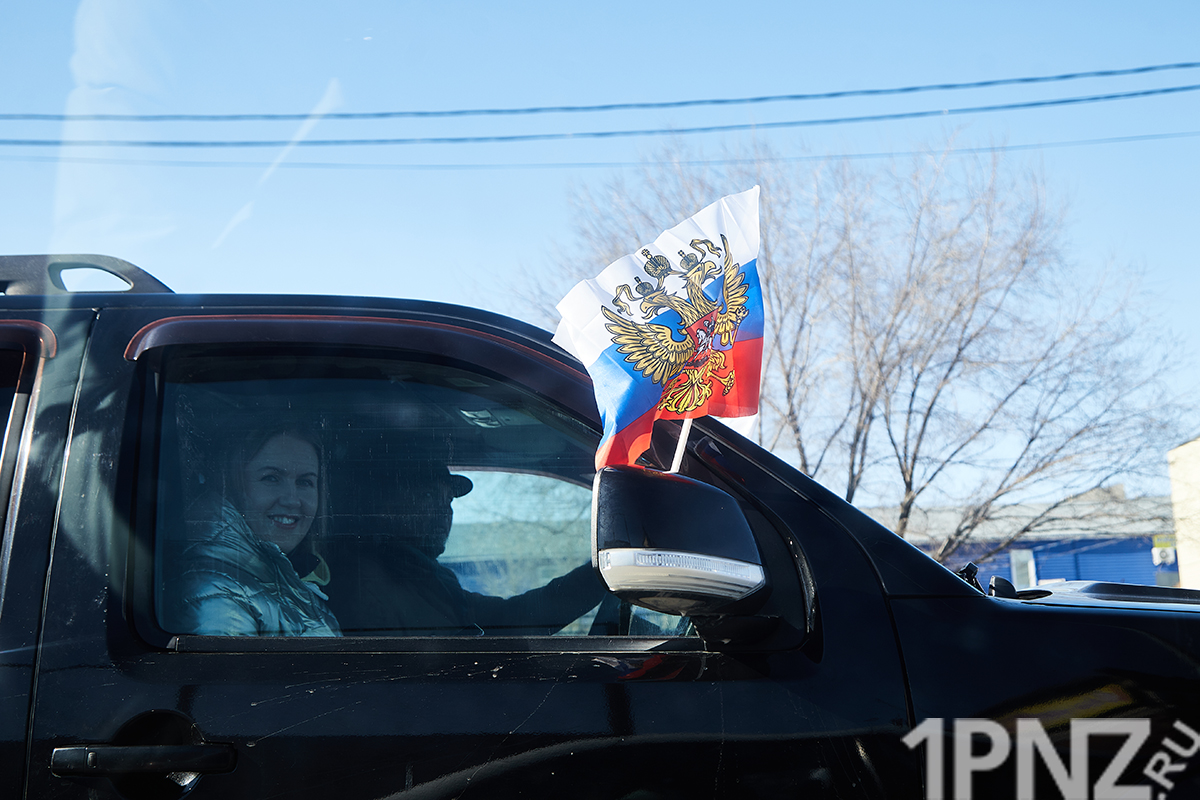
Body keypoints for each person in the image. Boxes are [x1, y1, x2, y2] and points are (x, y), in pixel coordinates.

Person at [324, 458, 606, 636]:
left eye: (447, 501)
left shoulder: (426, 580)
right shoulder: (366, 584)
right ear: (386, 506)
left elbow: (512, 619)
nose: (444, 512)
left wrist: (602, 573)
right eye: (427, 496)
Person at [172, 426, 342, 636]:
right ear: (233, 487)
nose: (292, 500)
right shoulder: (221, 598)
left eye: (305, 482)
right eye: (271, 478)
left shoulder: (289, 585)